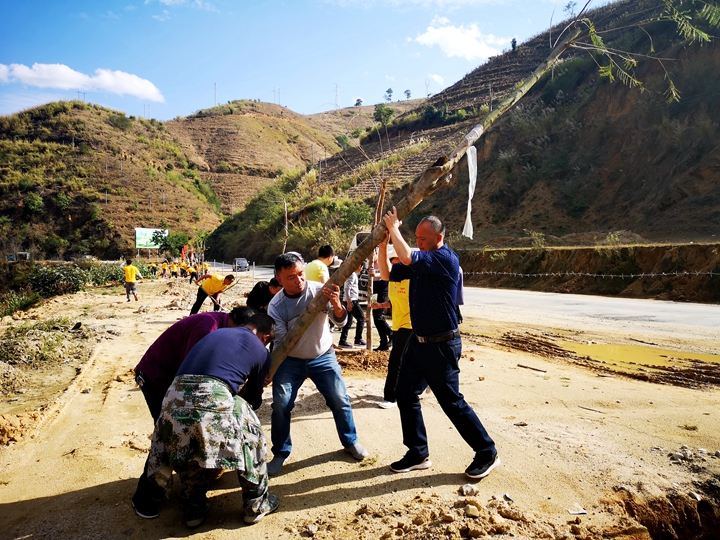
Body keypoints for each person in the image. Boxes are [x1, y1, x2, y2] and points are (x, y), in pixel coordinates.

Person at [383, 207, 499, 479]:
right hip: (418, 342)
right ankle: (417, 452)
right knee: (405, 393)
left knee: (451, 402)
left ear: (438, 237)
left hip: (442, 345)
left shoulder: (445, 259)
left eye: (423, 238)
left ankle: (486, 451)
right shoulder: (421, 262)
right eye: (416, 237)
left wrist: (393, 230)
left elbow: (407, 256)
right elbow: (387, 272)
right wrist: (383, 243)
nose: (418, 242)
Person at [144, 314, 280, 528]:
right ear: (265, 337)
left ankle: (193, 511)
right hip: (213, 395)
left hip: (173, 396)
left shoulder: (217, 333)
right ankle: (255, 505)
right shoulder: (261, 350)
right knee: (251, 435)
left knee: (187, 443)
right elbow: (253, 399)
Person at [266, 252, 368, 475]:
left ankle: (350, 441)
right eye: (291, 277)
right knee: (281, 405)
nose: (299, 280)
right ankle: (280, 452)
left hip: (323, 356)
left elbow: (340, 322)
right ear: (279, 279)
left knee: (340, 399)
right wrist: (272, 369)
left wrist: (336, 304)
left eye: (301, 273)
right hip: (290, 362)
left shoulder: (320, 291)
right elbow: (282, 343)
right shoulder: (276, 305)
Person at [373, 242, 411, 409]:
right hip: (397, 325)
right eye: (392, 262)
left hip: (411, 325)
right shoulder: (392, 281)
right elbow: (394, 302)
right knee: (412, 360)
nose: (395, 265)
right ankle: (423, 383)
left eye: (397, 261)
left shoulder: (413, 279)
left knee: (396, 361)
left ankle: (391, 397)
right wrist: (381, 306)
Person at [338, 265, 366, 348]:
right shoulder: (352, 275)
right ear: (359, 266)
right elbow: (347, 289)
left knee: (348, 321)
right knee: (361, 318)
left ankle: (342, 340)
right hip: (351, 300)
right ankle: (358, 339)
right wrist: (349, 302)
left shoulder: (352, 274)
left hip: (349, 300)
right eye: (361, 267)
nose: (361, 269)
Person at [370, 251, 393, 351]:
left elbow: (388, 273)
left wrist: (376, 274)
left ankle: (391, 334)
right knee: (375, 317)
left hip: (383, 290)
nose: (369, 258)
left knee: (379, 316)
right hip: (374, 291)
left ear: (376, 253)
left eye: (371, 255)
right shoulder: (370, 264)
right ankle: (383, 342)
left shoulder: (383, 261)